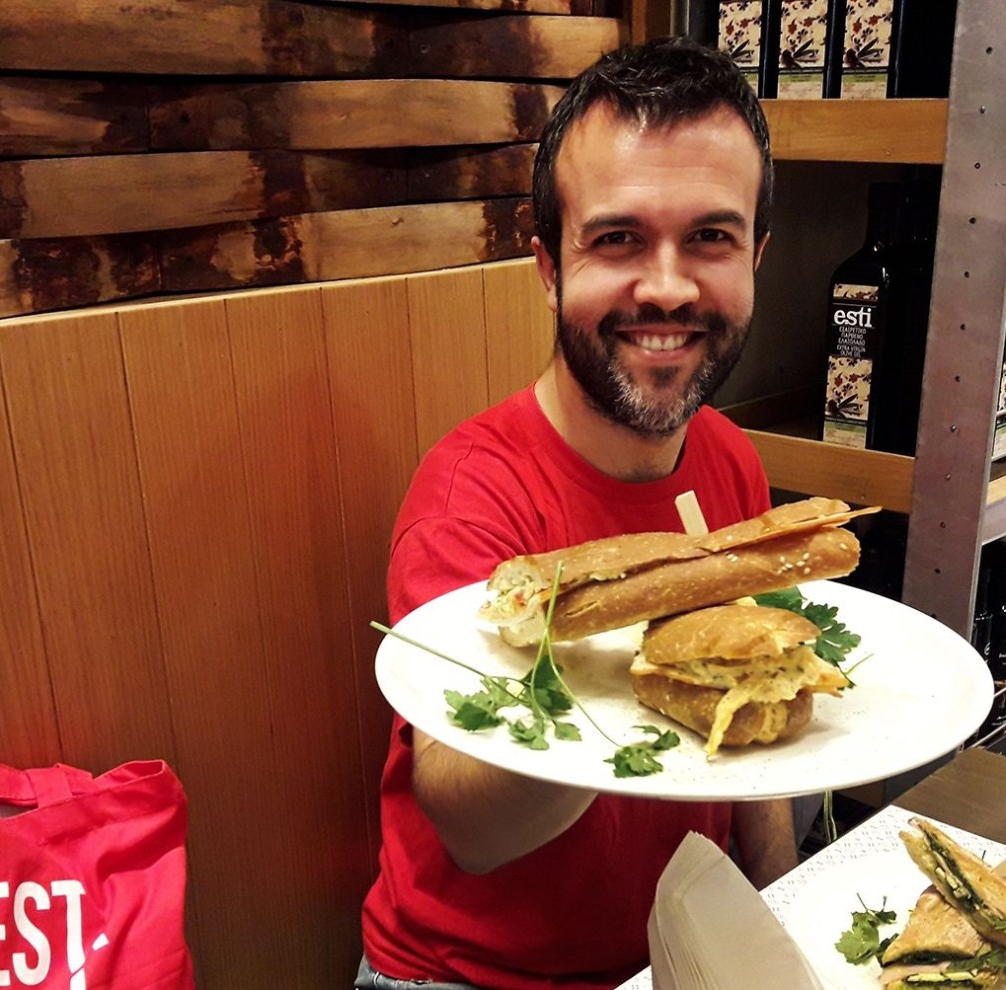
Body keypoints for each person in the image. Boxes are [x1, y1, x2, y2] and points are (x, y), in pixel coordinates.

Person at [358, 37, 789, 990]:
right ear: (549, 262)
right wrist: (611, 631)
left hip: (677, 957)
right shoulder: (470, 497)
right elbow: (471, 828)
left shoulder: (732, 462)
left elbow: (757, 740)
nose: (668, 286)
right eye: (619, 238)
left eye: (710, 238)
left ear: (756, 256)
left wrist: (779, 925)